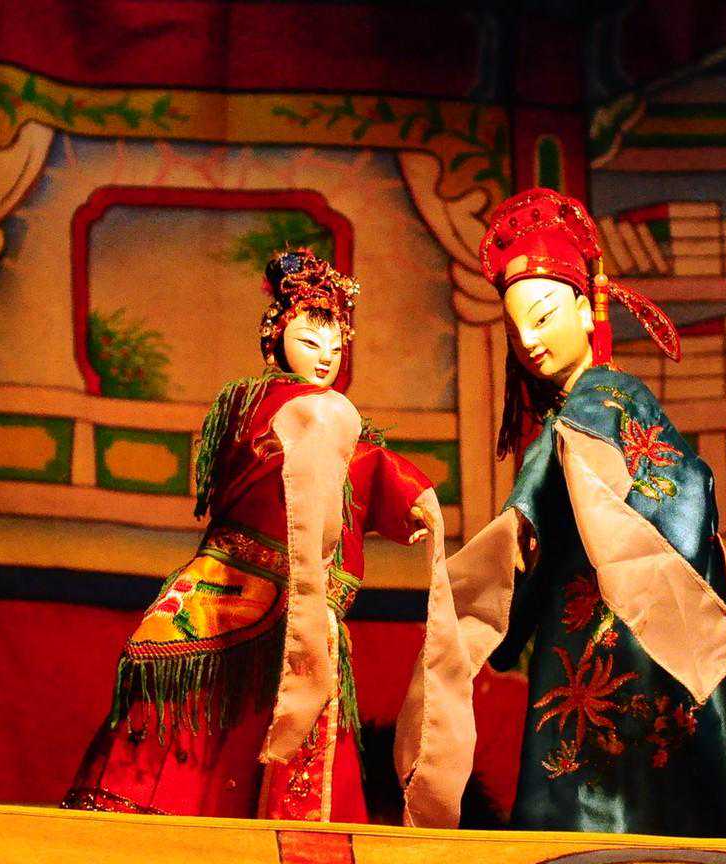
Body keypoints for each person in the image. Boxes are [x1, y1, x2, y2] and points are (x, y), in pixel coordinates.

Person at [396, 189, 726, 834]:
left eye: (544, 317)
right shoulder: (570, 416)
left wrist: (558, 512)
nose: (529, 341)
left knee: (607, 791)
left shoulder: (604, 396)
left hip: (628, 622)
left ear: (585, 309)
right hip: (586, 615)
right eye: (516, 330)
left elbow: (684, 485)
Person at [64, 249, 442, 822]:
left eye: (336, 347)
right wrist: (398, 482)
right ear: (275, 340)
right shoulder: (258, 405)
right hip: (246, 593)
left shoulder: (327, 417)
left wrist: (403, 495)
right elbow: (334, 454)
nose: (325, 358)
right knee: (204, 736)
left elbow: (353, 462)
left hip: (292, 603)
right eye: (310, 342)